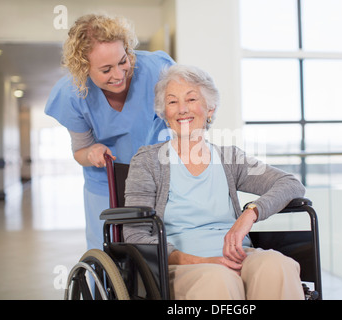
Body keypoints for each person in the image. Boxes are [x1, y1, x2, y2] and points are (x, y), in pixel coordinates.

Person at [123, 65, 306, 300]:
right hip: (180, 267)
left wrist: (249, 214)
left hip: (238, 255)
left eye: (191, 99)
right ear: (164, 113)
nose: (182, 109)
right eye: (172, 102)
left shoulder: (230, 158)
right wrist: (200, 261)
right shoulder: (147, 161)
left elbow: (290, 184)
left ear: (210, 108)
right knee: (219, 278)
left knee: (277, 265)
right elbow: (135, 235)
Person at [45, 14, 175, 252]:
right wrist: (91, 151)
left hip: (154, 170)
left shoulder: (156, 70)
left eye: (123, 61)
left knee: (161, 245)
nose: (119, 74)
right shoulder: (72, 94)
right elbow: (80, 151)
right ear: (84, 68)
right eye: (106, 70)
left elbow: (183, 107)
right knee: (109, 250)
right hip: (106, 181)